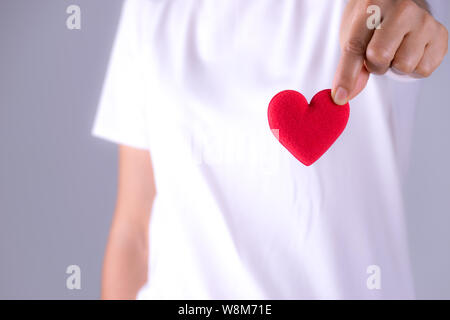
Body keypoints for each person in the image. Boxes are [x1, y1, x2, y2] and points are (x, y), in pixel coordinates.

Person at [92, 0, 448, 299]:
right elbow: (134, 230)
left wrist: (410, 21)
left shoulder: (363, 10)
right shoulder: (150, 8)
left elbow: (401, 15)